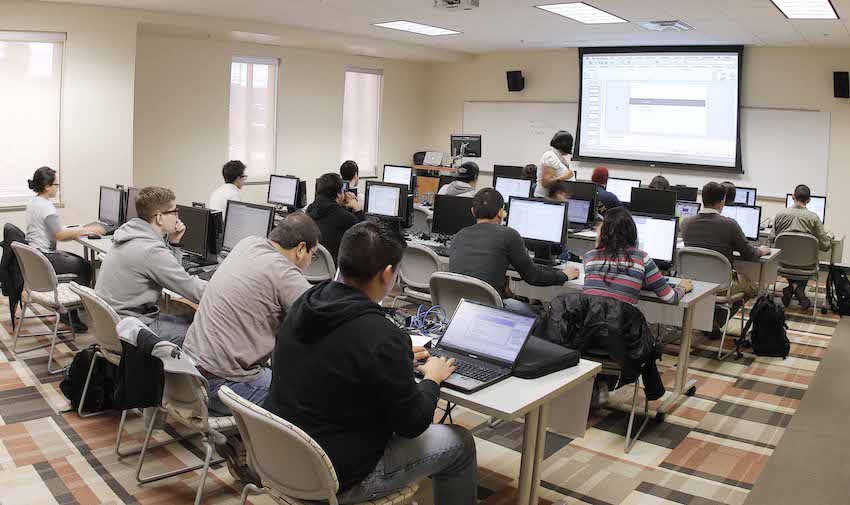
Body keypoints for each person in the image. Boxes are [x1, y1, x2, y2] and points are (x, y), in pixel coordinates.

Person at [266, 220, 477, 505]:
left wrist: (396, 359)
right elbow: (413, 423)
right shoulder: (381, 336)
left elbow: (339, 359)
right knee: (460, 443)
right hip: (337, 474)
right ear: (387, 273)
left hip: (281, 457)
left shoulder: (306, 303)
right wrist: (432, 379)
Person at [183, 213, 318, 416]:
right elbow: (320, 319)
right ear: (300, 249)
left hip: (188, 372)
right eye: (312, 255)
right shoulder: (285, 272)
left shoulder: (247, 243)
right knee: (311, 395)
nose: (310, 261)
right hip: (223, 385)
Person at [96, 187, 207, 344]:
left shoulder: (129, 233)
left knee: (190, 317)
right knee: (202, 335)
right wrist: (227, 291)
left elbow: (172, 274)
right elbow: (191, 289)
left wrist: (174, 243)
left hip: (113, 323)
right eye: (175, 212)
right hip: (131, 329)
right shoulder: (150, 250)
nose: (177, 217)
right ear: (160, 218)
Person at [449, 188, 580, 314]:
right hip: (490, 311)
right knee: (541, 313)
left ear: (473, 211)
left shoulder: (458, 235)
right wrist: (564, 275)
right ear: (501, 212)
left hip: (458, 309)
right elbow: (533, 276)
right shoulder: (508, 235)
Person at [681, 181, 770, 335]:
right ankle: (717, 320)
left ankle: (708, 319)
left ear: (703, 198)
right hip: (722, 287)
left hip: (694, 284)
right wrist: (761, 250)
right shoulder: (729, 225)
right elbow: (751, 255)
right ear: (723, 201)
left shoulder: (686, 223)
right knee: (752, 287)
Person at [24, 167, 104, 331]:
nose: (57, 188)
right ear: (47, 186)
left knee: (79, 262)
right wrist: (88, 230)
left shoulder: (34, 202)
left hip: (36, 254)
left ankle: (77, 306)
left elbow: (53, 230)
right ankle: (70, 313)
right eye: (56, 184)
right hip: (44, 257)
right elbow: (60, 235)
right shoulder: (46, 206)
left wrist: (78, 229)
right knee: (84, 267)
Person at [584, 207, 693, 305]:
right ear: (632, 232)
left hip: (588, 324)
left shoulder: (589, 257)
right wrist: (682, 287)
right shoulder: (642, 258)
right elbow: (670, 298)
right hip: (621, 324)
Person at [772, 184, 832, 309]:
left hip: (783, 264)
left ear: (793, 197)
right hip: (807, 265)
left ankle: (791, 287)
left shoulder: (780, 215)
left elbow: (772, 239)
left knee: (791, 256)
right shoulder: (813, 218)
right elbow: (826, 246)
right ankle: (799, 289)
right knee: (803, 258)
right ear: (809, 200)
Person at [305, 173, 364, 262]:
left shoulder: (309, 210)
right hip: (336, 269)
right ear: (338, 194)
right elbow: (364, 239)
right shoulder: (346, 218)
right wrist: (358, 209)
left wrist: (339, 203)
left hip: (309, 269)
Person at [534, 130, 575, 197]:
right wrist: (565, 177)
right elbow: (546, 183)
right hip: (545, 199)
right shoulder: (550, 156)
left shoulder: (557, 156)